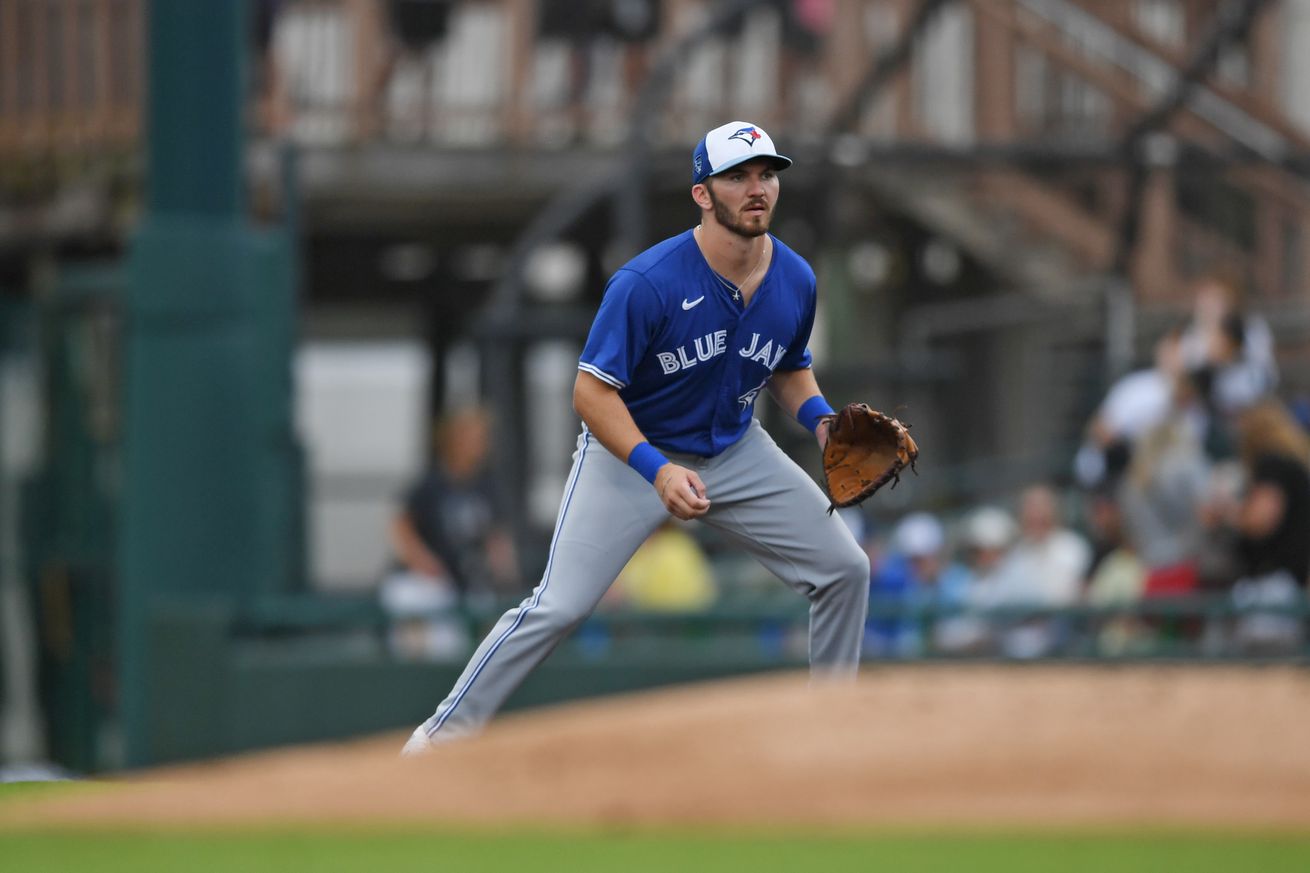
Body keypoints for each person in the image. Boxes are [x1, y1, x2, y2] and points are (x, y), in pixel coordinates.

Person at [402, 121, 870, 753]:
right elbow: (591, 394)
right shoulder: (647, 283)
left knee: (845, 568)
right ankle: (438, 740)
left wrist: (821, 421)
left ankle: (830, 734)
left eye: (766, 174)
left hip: (736, 447)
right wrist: (656, 469)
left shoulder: (796, 279)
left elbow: (786, 364)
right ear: (703, 193)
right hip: (631, 453)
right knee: (557, 607)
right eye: (738, 176)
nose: (756, 189)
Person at [380, 407, 519, 660]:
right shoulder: (433, 483)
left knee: (482, 634)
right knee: (425, 628)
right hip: (425, 584)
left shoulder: (486, 486)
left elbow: (496, 539)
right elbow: (401, 525)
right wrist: (423, 562)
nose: (481, 445)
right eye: (474, 437)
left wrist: (503, 570)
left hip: (465, 584)